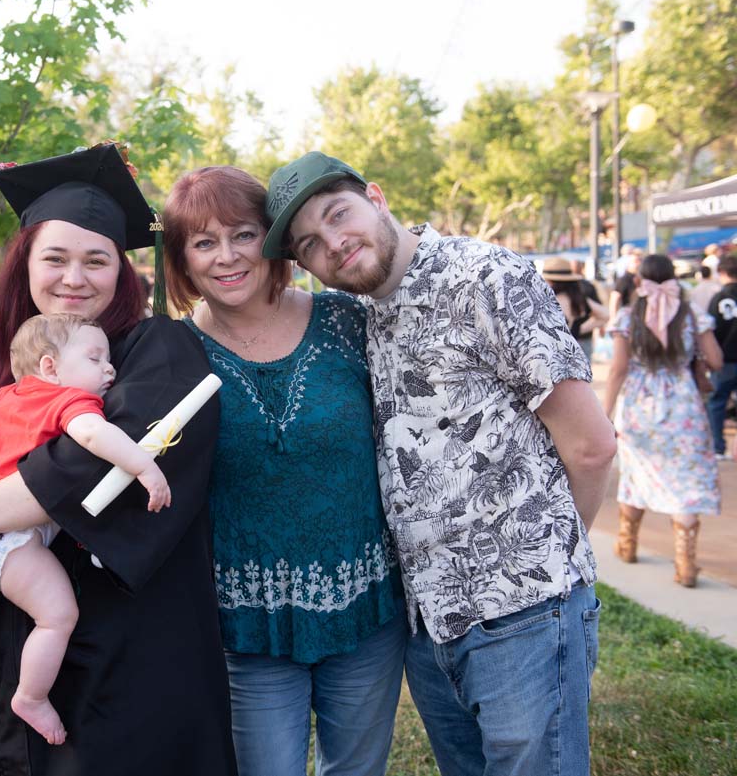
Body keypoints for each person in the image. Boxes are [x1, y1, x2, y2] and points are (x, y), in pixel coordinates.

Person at [0, 144, 238, 776]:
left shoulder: (155, 349)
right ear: (24, 263)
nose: (74, 278)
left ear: (122, 272)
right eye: (54, 258)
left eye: (96, 260)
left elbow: (106, 459)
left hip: (119, 665)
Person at [262, 152, 617, 776]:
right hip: (428, 628)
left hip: (524, 609)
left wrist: (548, 566)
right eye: (309, 244)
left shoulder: (486, 277)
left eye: (338, 214)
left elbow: (591, 445)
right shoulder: (362, 315)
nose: (334, 244)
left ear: (376, 197)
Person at [161, 166, 406, 776]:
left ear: (273, 241)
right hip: (248, 628)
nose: (226, 256)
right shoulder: (171, 356)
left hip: (365, 611)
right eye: (204, 242)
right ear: (183, 260)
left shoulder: (347, 321)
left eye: (243, 235)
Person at [0, 312, 171, 745]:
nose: (109, 369)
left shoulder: (4, 397)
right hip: (9, 540)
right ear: (50, 367)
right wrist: (144, 465)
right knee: (57, 615)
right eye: (94, 358)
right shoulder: (69, 401)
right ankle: (31, 696)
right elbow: (93, 436)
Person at [603, 254, 722, 586]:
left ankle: (627, 544)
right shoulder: (691, 314)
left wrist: (606, 414)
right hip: (684, 407)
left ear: (638, 281)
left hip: (639, 407)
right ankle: (685, 564)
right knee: (685, 483)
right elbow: (716, 359)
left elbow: (617, 370)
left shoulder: (628, 317)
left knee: (636, 474)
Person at [541, 256, 608, 360]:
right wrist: (578, 330)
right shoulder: (578, 298)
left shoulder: (545, 300)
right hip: (575, 353)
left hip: (550, 357)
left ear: (549, 280)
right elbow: (605, 315)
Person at [706, 255, 737, 457]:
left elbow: (710, 330)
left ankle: (718, 446)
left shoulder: (718, 298)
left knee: (717, 404)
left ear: (722, 272)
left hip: (724, 361)